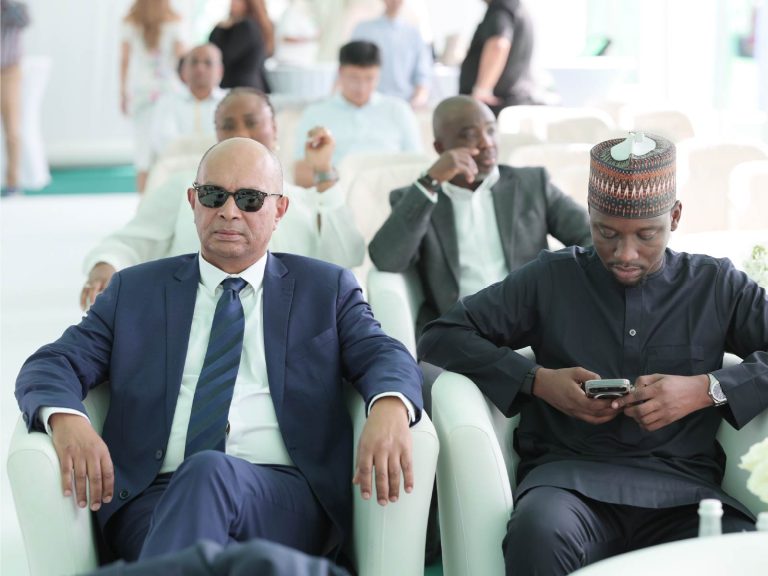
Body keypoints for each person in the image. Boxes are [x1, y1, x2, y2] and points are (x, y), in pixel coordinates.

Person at [16, 137, 423, 567]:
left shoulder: (324, 289)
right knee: (214, 524)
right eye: (214, 195)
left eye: (250, 199)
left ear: (279, 210)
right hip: (153, 502)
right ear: (193, 202)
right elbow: (52, 363)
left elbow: (383, 353)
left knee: (208, 473)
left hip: (284, 498)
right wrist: (68, 420)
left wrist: (390, 407)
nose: (229, 211)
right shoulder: (135, 291)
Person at [418, 133, 767, 575]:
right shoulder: (551, 278)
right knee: (536, 534)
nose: (625, 254)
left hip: (684, 493)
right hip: (567, 486)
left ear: (675, 216)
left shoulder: (715, 285)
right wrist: (537, 382)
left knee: (744, 553)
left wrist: (707, 389)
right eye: (606, 233)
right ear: (589, 214)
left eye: (646, 235)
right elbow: (441, 335)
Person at [80, 88, 366, 310]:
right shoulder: (185, 187)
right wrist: (105, 266)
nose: (241, 133)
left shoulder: (306, 200)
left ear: (274, 129)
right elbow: (129, 243)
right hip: (190, 321)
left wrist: (324, 173)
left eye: (252, 123)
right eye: (229, 126)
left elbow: (346, 257)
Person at [369, 95, 591, 339]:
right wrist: (430, 181)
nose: (487, 143)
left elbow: (589, 235)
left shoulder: (532, 183)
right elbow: (386, 259)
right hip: (463, 330)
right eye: (469, 135)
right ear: (441, 148)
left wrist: (563, 288)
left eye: (491, 130)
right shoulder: (418, 198)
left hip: (532, 323)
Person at [292, 40, 422, 187]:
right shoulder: (315, 114)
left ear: (379, 74)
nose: (361, 88)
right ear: (340, 73)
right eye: (354, 78)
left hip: (390, 191)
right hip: (336, 191)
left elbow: (417, 166)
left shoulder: (399, 110)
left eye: (369, 78)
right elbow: (300, 175)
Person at [120, 0, 185, 193]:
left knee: (143, 153)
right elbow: (181, 58)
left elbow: (124, 60)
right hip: (168, 90)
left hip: (142, 91)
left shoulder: (130, 22)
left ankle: (143, 201)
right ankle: (166, 198)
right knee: (166, 148)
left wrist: (123, 92)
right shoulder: (174, 21)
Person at [148, 44, 226, 164]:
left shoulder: (230, 102)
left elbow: (229, 144)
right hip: (175, 170)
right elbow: (164, 144)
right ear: (183, 70)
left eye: (208, 63)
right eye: (194, 62)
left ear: (220, 71)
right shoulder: (167, 102)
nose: (200, 68)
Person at [459, 0, 538, 116]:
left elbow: (498, 44)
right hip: (511, 101)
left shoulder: (501, 7)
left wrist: (482, 90)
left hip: (494, 105)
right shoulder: (515, 8)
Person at [350, 0, 432, 108]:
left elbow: (423, 76)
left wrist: (418, 100)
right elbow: (348, 69)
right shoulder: (363, 30)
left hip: (404, 103)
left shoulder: (414, 34)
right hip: (368, 104)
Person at [209, 0, 273, 91]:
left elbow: (221, 55)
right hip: (246, 86)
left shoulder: (246, 26)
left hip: (241, 88)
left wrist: (219, 28)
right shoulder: (251, 25)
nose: (233, 3)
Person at [0, 0, 30, 197]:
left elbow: (24, 21)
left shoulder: (15, 8)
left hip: (9, 71)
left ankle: (13, 183)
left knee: (12, 129)